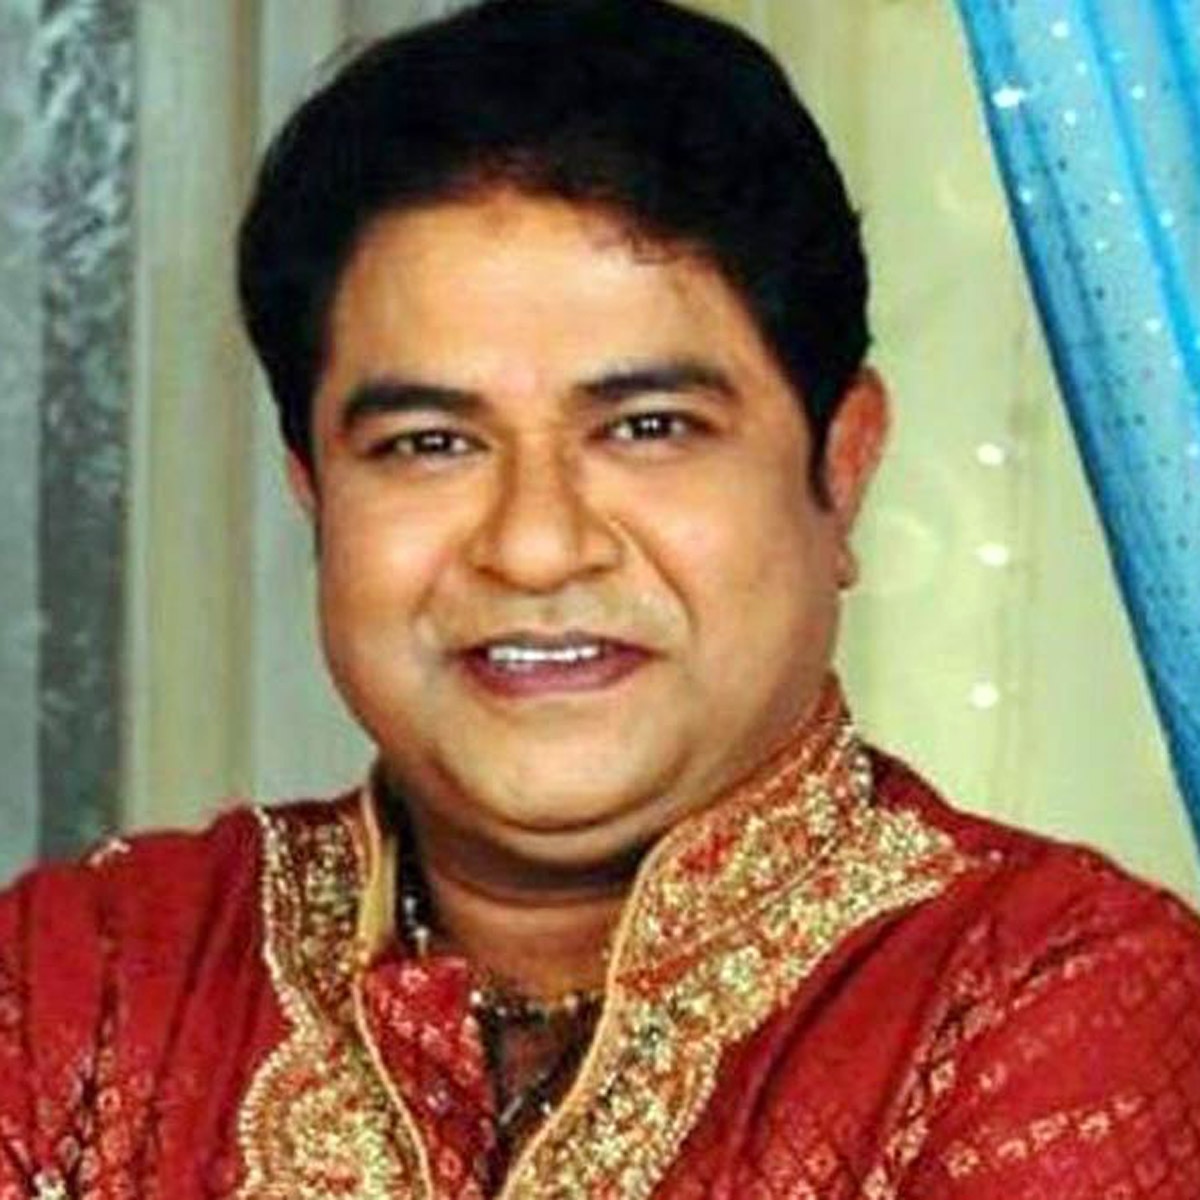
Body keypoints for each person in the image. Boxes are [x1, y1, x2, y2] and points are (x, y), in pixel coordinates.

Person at [3, 0, 1200, 1195]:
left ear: (842, 468)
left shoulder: (1052, 999)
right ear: (314, 493)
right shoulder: (89, 977)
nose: (534, 550)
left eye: (648, 428)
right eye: (428, 444)